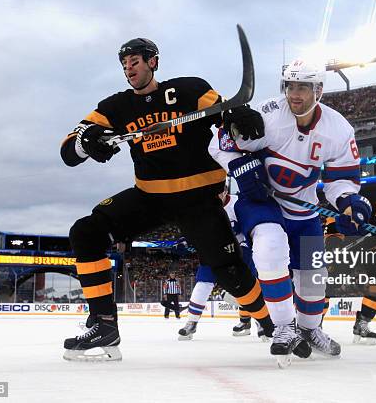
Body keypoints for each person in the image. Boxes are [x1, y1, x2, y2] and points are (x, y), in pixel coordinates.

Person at [60, 37, 273, 361]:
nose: (129, 69)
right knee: (85, 232)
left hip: (198, 197)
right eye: (124, 64)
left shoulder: (188, 90)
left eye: (135, 62)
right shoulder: (116, 107)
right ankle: (104, 325)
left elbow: (225, 111)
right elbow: (68, 150)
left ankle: (271, 325)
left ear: (153, 62)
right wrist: (84, 142)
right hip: (151, 196)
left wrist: (240, 116)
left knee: (229, 271)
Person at [209, 58, 371, 363]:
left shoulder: (338, 129)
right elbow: (217, 144)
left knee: (313, 277)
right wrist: (240, 166)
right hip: (262, 202)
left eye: (303, 87)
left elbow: (341, 180)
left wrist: (350, 202)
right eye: (290, 86)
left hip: (304, 209)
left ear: (319, 90)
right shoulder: (267, 115)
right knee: (270, 248)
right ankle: (283, 327)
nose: (294, 94)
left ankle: (310, 329)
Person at [178, 181, 268, 341]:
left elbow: (252, 227)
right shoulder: (204, 207)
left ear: (226, 190)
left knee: (249, 286)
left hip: (240, 250)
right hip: (213, 250)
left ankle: (260, 322)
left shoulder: (238, 204)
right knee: (202, 283)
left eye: (220, 191)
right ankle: (191, 322)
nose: (217, 195)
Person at [323, 190, 376, 344]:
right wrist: (334, 248)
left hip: (375, 245)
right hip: (349, 246)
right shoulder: (336, 203)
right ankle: (314, 325)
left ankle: (362, 323)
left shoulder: (372, 198)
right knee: (327, 284)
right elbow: (331, 233)